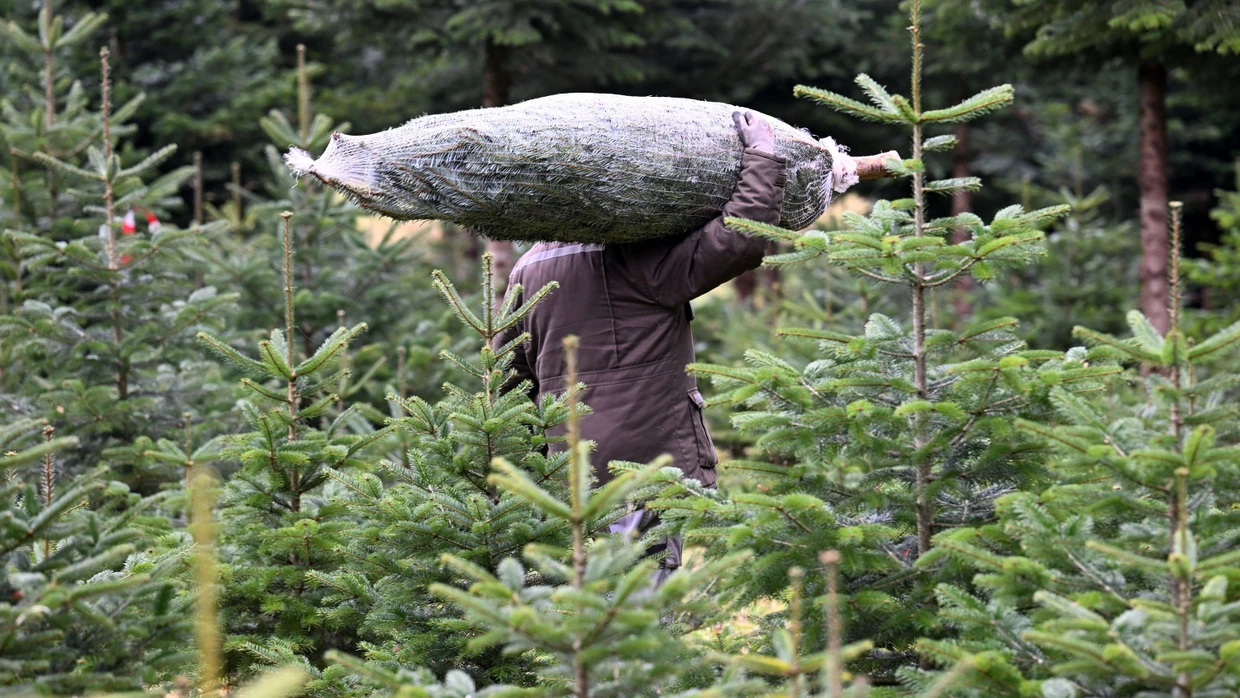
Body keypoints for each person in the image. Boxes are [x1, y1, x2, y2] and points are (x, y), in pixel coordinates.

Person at [493, 111, 788, 584]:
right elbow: (739, 240)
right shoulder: (640, 255)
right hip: (646, 467)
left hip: (567, 474)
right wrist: (762, 158)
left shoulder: (530, 265)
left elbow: (508, 382)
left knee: (586, 599)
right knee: (641, 600)